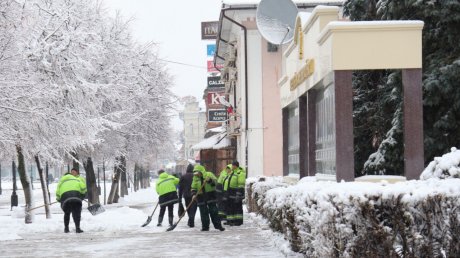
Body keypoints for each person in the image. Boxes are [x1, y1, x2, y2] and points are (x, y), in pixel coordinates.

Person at [191, 165, 225, 232]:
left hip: (210, 195)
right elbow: (193, 187)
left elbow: (215, 183)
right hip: (201, 197)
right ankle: (205, 227)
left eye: (197, 173)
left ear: (201, 171)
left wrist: (209, 180)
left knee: (214, 211)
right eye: (195, 173)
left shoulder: (209, 174)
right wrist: (194, 194)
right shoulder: (195, 178)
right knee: (203, 212)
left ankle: (218, 226)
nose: (196, 175)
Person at [56, 168, 87, 233]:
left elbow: (58, 192)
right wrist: (82, 195)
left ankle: (66, 229)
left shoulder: (61, 181)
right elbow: (83, 188)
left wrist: (59, 199)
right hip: (76, 197)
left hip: (65, 199)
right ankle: (77, 228)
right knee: (77, 213)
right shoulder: (76, 179)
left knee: (67, 213)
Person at [225, 161, 246, 226]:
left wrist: (238, 194)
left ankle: (238, 221)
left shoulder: (240, 173)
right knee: (231, 207)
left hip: (237, 192)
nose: (232, 166)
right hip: (231, 192)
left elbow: (241, 184)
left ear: (236, 166)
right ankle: (231, 221)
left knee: (238, 207)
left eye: (233, 165)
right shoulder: (232, 172)